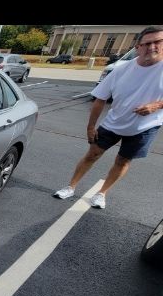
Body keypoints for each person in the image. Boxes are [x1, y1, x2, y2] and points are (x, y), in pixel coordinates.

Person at [53, 26, 163, 209]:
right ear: (138, 47)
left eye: (158, 42)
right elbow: (99, 99)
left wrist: (157, 105)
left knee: (123, 160)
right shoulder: (121, 70)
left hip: (145, 127)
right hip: (114, 122)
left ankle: (101, 193)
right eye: (147, 43)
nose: (152, 47)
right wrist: (90, 127)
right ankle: (70, 187)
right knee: (93, 154)